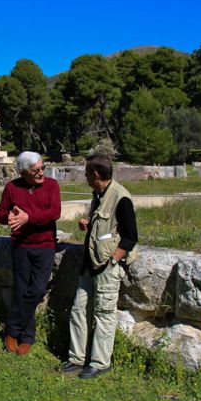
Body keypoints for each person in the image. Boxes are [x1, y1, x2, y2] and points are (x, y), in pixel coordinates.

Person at [61, 153, 138, 379]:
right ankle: (76, 358)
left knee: (104, 314)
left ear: (96, 175)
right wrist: (89, 223)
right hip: (90, 264)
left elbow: (131, 237)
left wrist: (113, 260)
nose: (84, 177)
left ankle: (100, 362)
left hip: (106, 266)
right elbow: (106, 228)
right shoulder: (98, 195)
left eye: (86, 173)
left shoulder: (121, 197)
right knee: (79, 310)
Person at [0, 151, 61, 355]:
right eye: (36, 170)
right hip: (21, 246)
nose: (42, 172)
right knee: (22, 292)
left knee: (38, 290)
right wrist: (10, 216)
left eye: (43, 168)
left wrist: (28, 218)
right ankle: (26, 337)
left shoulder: (52, 185)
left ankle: (11, 329)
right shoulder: (12, 187)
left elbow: (54, 212)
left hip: (45, 246)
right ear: (24, 172)